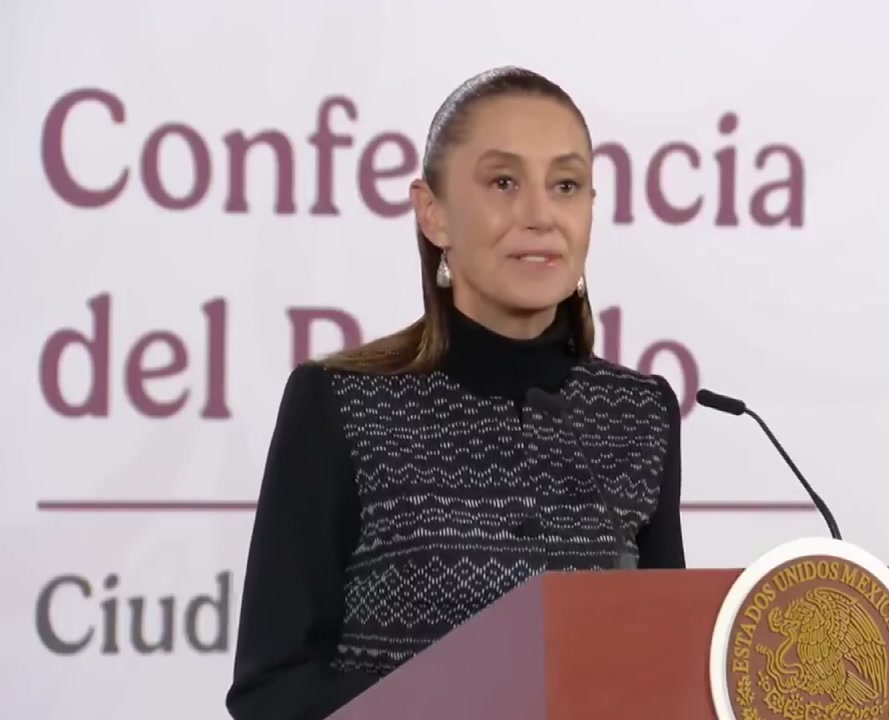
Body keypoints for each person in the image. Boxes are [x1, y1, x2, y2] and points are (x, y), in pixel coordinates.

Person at [224, 66, 687, 720]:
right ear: (433, 214)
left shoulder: (640, 414)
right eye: (503, 183)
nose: (540, 216)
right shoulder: (341, 404)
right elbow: (272, 691)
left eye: (565, 185)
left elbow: (667, 671)